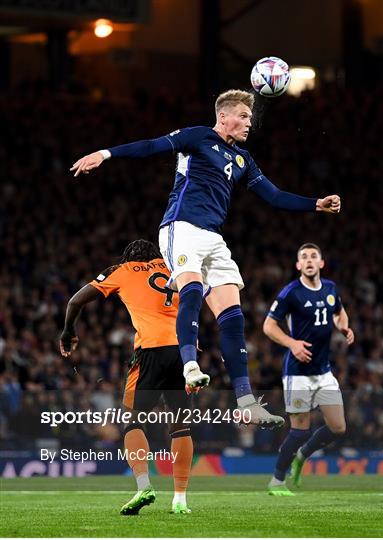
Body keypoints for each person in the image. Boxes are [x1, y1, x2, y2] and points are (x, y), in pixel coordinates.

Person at [71, 89, 341, 428]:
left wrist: (315, 203)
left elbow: (273, 196)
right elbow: (152, 145)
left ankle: (245, 401)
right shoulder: (198, 137)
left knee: (232, 313)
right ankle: (189, 366)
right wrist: (105, 153)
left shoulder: (244, 160)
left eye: (250, 117)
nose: (248, 123)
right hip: (180, 226)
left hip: (213, 237)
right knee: (193, 288)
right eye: (243, 116)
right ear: (223, 116)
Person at [60, 239, 194, 515]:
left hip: (150, 350)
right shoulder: (174, 266)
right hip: (184, 350)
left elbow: (76, 301)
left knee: (132, 420)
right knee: (180, 426)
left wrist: (68, 331)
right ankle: (180, 499)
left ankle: (144, 485)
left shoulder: (121, 270)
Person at [263, 243, 354, 495]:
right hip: (297, 373)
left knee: (338, 427)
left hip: (323, 372)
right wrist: (292, 343)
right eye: (304, 257)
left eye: (314, 256)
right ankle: (277, 481)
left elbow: (339, 313)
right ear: (298, 266)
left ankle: (302, 456)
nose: (309, 260)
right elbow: (268, 326)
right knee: (299, 430)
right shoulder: (290, 293)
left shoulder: (330, 289)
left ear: (321, 263)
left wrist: (344, 327)